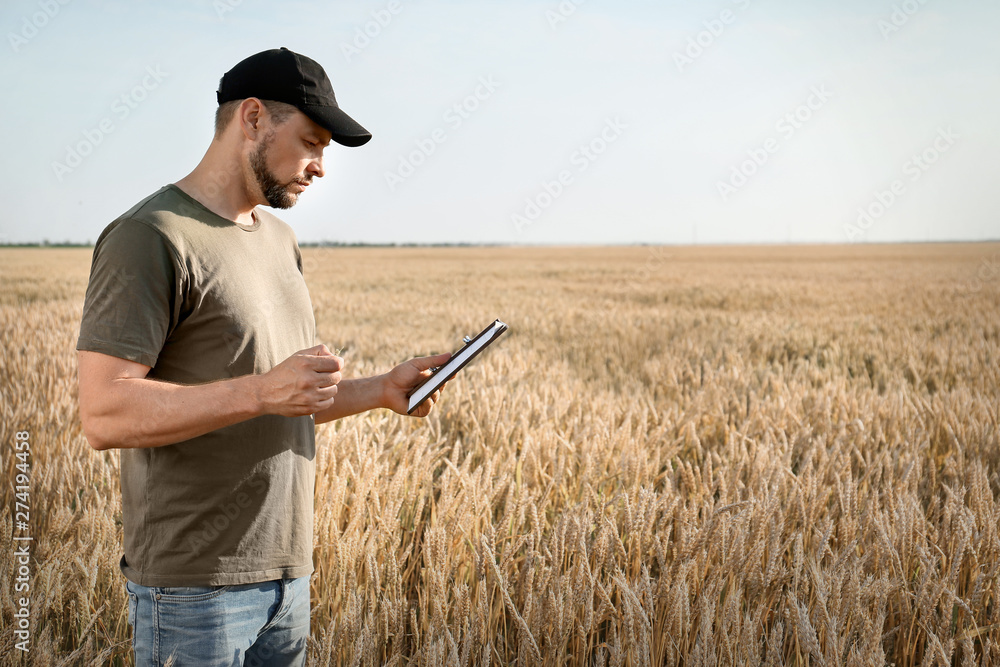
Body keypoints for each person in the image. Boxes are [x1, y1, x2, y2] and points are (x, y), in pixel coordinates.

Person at [76, 47, 450, 666]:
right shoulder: (151, 235)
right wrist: (258, 391)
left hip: (287, 580)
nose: (321, 167)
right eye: (311, 141)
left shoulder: (277, 238)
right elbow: (104, 413)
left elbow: (288, 398)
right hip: (194, 591)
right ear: (252, 118)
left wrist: (383, 389)